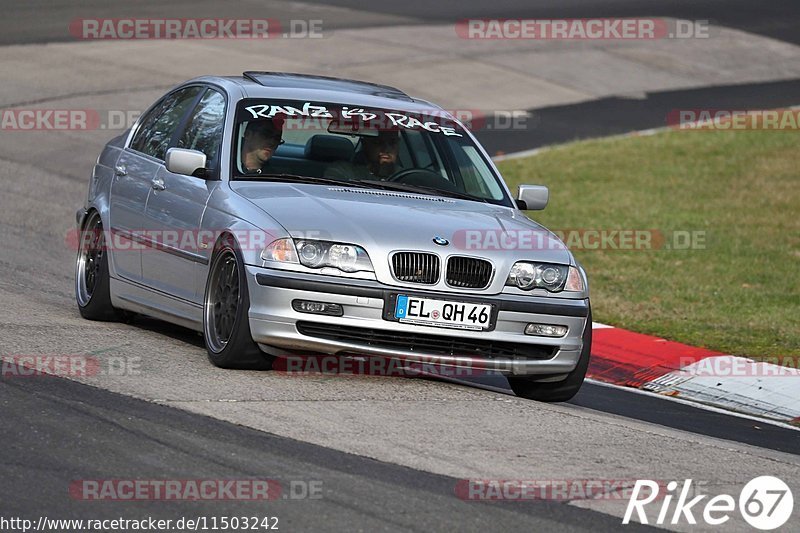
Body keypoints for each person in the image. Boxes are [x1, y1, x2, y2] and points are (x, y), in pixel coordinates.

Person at [325, 129, 400, 181]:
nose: (386, 149)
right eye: (378, 143)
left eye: (392, 143)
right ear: (365, 144)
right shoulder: (342, 171)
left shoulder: (406, 176)